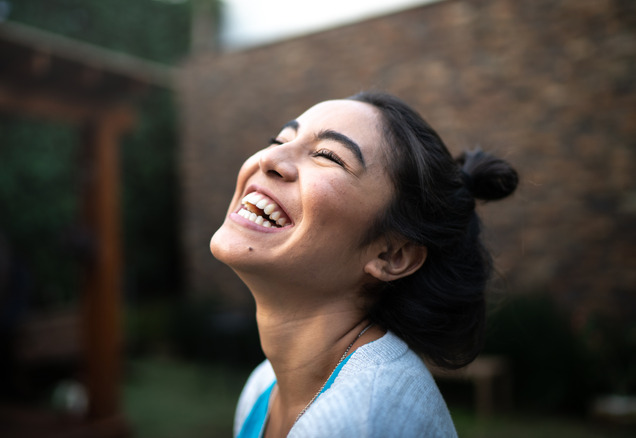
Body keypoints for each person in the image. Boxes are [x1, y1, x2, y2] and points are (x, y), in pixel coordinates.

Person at [210, 91, 519, 438]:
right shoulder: (263, 385)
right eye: (279, 139)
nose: (269, 158)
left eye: (327, 155)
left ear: (391, 255)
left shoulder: (361, 420)